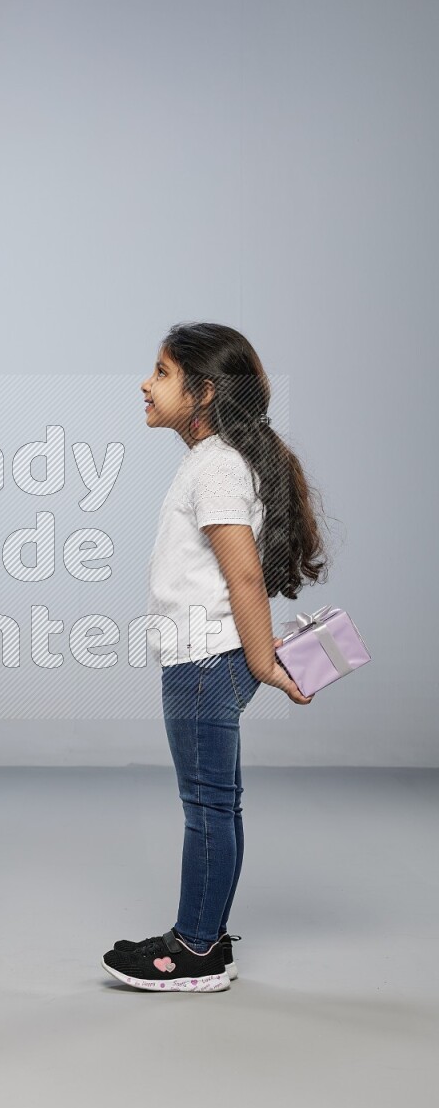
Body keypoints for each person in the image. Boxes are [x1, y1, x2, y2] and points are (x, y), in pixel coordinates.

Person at [101, 322, 330, 993]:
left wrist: (260, 662)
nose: (147, 383)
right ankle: (202, 933)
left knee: (208, 807)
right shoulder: (218, 462)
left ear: (203, 394)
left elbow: (245, 578)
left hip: (204, 664)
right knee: (216, 807)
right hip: (208, 660)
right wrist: (253, 657)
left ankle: (196, 950)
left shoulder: (218, 467)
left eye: (162, 373)